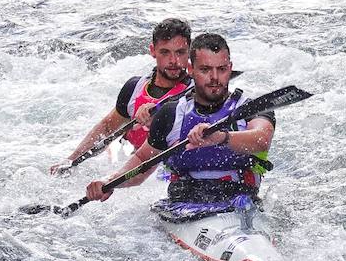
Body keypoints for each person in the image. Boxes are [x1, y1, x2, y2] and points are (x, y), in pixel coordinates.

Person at [85, 32, 274, 220]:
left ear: (230, 68)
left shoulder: (251, 108)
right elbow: (142, 161)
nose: (215, 77)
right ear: (191, 70)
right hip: (182, 206)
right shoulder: (171, 114)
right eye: (205, 70)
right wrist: (109, 182)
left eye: (222, 69)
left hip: (240, 202)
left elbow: (261, 139)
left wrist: (221, 137)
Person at [55, 19, 193, 173]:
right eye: (165, 52)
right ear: (153, 51)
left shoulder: (198, 94)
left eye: (180, 52)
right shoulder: (134, 88)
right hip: (130, 165)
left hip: (169, 173)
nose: (173, 61)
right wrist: (71, 160)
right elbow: (107, 129)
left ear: (189, 52)